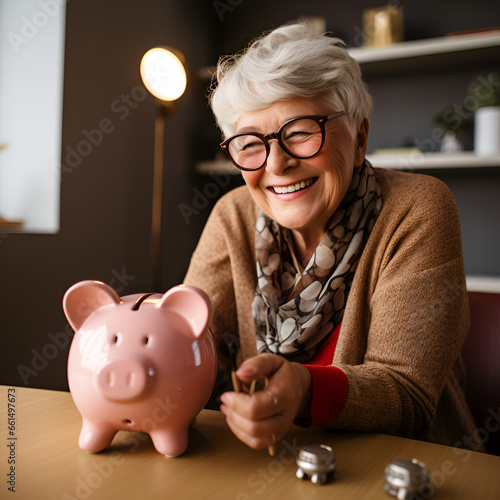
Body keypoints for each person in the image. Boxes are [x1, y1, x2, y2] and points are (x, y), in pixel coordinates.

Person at [184, 23, 479, 452]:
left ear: (359, 138)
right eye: (250, 142)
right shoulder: (232, 214)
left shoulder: (418, 208)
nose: (277, 164)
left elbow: (408, 395)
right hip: (267, 466)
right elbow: (195, 340)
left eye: (301, 131)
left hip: (403, 468)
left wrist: (305, 389)